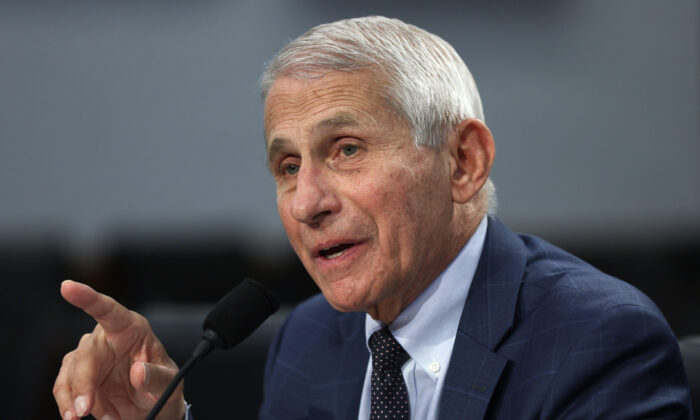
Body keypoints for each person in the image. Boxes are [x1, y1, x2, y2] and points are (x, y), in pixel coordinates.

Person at [53, 16, 692, 420]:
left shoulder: (598, 343)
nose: (308, 203)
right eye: (286, 167)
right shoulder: (310, 341)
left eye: (347, 150)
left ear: (464, 162)